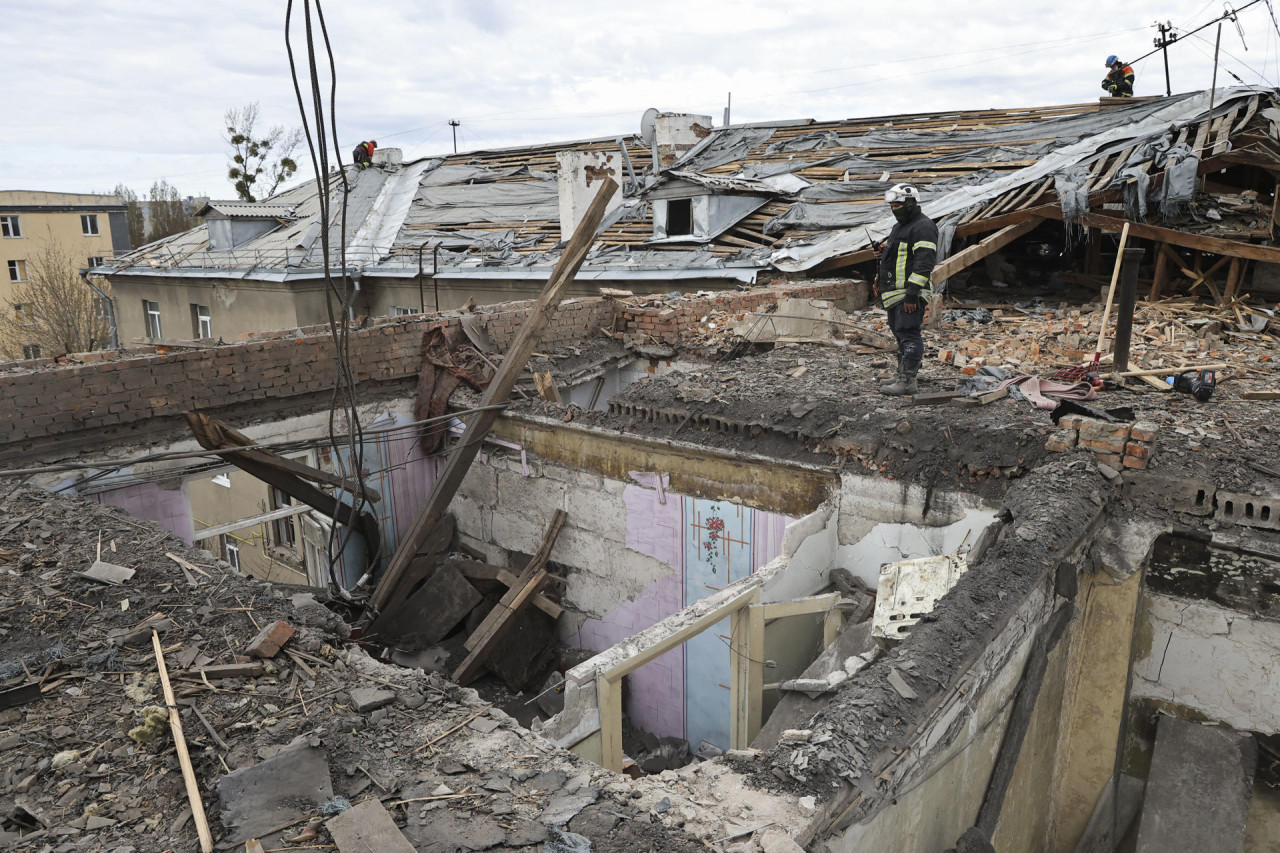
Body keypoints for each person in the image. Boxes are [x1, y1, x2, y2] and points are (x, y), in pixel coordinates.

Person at [873, 184, 937, 396]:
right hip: (894, 293)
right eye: (892, 205)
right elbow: (901, 255)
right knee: (899, 334)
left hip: (908, 293)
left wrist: (912, 293)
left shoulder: (923, 226)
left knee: (909, 334)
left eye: (898, 204)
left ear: (911, 203)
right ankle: (902, 373)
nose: (894, 209)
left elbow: (924, 263)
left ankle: (908, 382)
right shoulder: (899, 227)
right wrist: (882, 253)